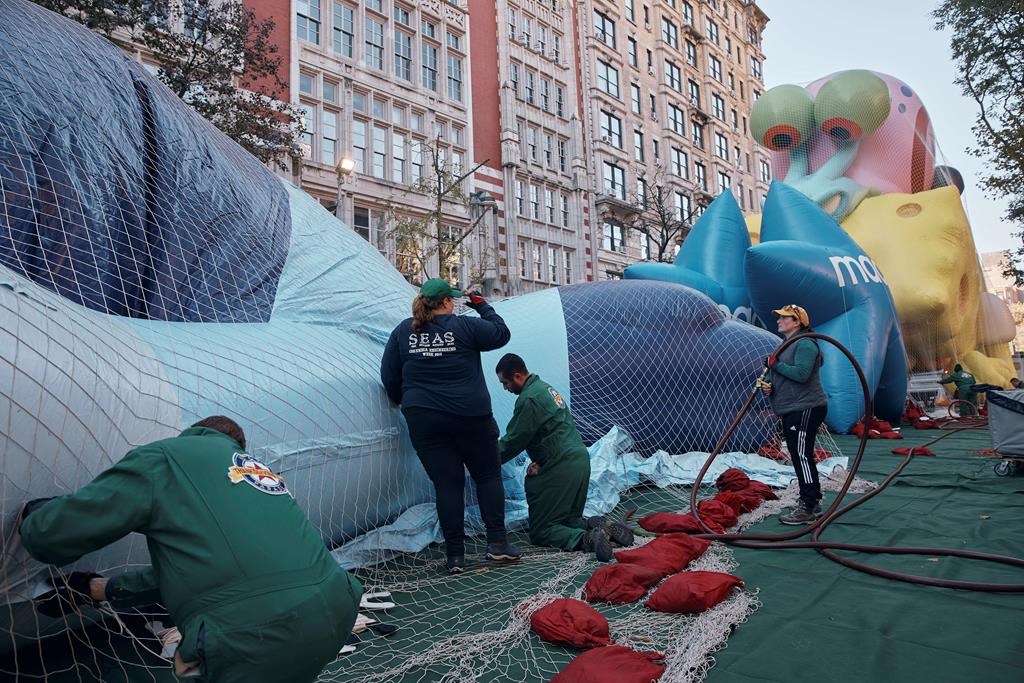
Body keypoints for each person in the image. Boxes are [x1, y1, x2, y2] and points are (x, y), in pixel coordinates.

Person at [19, 416, 362, 683]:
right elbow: (217, 571)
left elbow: (50, 538)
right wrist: (100, 590)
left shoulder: (165, 457)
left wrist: (37, 516)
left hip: (253, 633)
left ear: (192, 434)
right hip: (335, 606)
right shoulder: (257, 471)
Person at [380, 279, 519, 574]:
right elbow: (501, 334)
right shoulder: (465, 327)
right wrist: (482, 306)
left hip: (424, 417)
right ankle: (497, 544)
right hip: (471, 415)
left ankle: (455, 555)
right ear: (446, 302)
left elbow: (389, 374)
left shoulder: (404, 331)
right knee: (487, 476)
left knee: (447, 485)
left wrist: (403, 400)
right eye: (452, 301)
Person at [494, 354, 634, 562]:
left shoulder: (529, 399)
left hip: (561, 465)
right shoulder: (546, 390)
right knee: (566, 518)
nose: (505, 388)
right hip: (580, 460)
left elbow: (515, 439)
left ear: (517, 376)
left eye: (505, 383)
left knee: (542, 530)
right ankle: (599, 527)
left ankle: (586, 538)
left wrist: (484, 459)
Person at [762, 305, 829, 525]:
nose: (779, 320)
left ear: (797, 322)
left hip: (806, 408)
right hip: (794, 408)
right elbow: (782, 375)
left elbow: (801, 374)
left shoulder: (805, 344)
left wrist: (776, 365)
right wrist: (770, 385)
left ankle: (808, 506)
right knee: (801, 455)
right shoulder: (787, 344)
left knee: (801, 456)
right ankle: (813, 499)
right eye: (779, 317)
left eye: (784, 317)